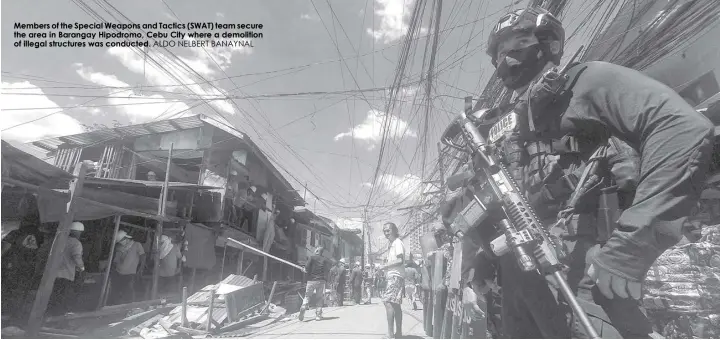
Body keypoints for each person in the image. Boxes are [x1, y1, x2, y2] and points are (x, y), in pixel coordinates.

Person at [482, 6, 714, 338]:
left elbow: (682, 130)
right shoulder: (507, 123)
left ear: (547, 43)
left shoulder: (587, 81)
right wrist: (476, 267)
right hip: (517, 271)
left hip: (578, 266)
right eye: (500, 53)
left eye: (518, 43)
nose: (508, 58)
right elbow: (491, 197)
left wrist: (632, 246)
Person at [47, 221, 85, 316]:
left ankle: (49, 315)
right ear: (78, 233)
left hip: (52, 273)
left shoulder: (59, 240)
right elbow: (77, 257)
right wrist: (81, 267)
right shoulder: (76, 243)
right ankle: (58, 317)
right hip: (65, 275)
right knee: (62, 298)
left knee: (52, 296)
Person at [379, 222, 406, 339]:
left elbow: (400, 260)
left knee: (388, 302)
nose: (386, 233)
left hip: (395, 276)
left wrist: (385, 265)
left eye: (388, 230)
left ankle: (390, 334)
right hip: (395, 276)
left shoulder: (397, 243)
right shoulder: (392, 244)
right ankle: (398, 333)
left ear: (394, 230)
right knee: (395, 305)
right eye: (384, 231)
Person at [110, 230, 146, 305]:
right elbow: (116, 260)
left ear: (126, 238)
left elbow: (143, 256)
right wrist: (113, 268)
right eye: (119, 241)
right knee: (117, 290)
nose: (121, 242)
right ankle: (118, 305)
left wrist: (141, 269)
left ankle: (130, 306)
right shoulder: (119, 247)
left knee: (129, 290)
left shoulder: (137, 245)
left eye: (121, 240)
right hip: (118, 272)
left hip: (130, 273)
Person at [299, 246, 330, 321]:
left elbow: (306, 267)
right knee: (319, 298)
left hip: (311, 280)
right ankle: (318, 316)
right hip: (321, 281)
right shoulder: (324, 259)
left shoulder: (312, 257)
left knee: (307, 296)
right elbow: (327, 270)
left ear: (317, 251)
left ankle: (304, 306)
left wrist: (303, 270)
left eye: (315, 249)